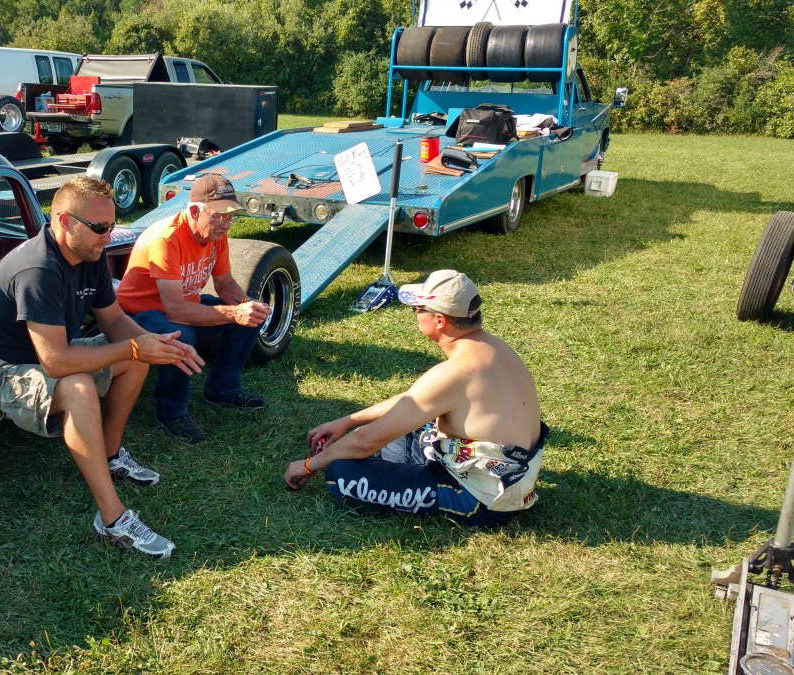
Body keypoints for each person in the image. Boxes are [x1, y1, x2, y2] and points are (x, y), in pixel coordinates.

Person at [0, 176, 204, 558]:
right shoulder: (37, 268)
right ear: (65, 222)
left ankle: (110, 455)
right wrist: (134, 346)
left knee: (134, 358)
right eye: (100, 228)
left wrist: (159, 344)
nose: (108, 237)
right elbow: (57, 362)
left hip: (38, 357)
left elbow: (113, 320)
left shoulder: (90, 254)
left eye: (112, 226)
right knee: (79, 386)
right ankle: (113, 520)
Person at [283, 269, 548, 527]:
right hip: (509, 478)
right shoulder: (496, 349)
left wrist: (308, 465)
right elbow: (415, 399)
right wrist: (349, 420)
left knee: (341, 474)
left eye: (418, 309)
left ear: (439, 320)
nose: (416, 315)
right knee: (400, 426)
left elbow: (364, 443)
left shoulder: (454, 373)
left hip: (481, 501)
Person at [116, 174, 273, 443]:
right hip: (136, 314)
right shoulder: (166, 239)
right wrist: (234, 313)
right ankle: (171, 411)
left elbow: (224, 283)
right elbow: (176, 311)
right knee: (182, 335)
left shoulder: (215, 234)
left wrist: (248, 305)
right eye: (219, 216)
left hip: (181, 306)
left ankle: (223, 388)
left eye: (230, 216)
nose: (226, 224)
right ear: (194, 212)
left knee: (248, 316)